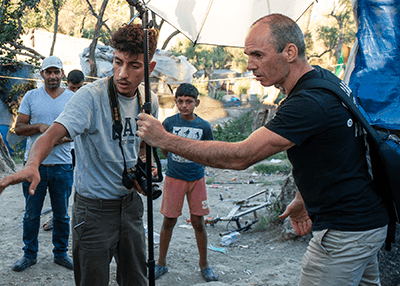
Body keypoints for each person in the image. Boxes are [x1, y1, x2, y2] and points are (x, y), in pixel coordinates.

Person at [137, 14, 389, 286]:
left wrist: (164, 139)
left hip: (344, 233)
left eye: (258, 54)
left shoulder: (308, 102)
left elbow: (241, 156)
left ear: (289, 52)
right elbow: (329, 152)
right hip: (367, 223)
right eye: (248, 55)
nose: (249, 65)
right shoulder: (325, 81)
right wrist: (303, 200)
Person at [0, 23, 159, 286]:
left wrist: (143, 167)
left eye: (134, 66)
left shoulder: (149, 100)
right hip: (93, 210)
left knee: (136, 280)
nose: (122, 73)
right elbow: (50, 135)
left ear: (149, 69)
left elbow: (140, 146)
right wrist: (33, 163)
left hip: (130, 207)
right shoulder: (89, 96)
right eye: (118, 62)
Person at [11, 56, 75, 272]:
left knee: (62, 214)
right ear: (42, 75)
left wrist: (60, 138)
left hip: (63, 166)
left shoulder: (72, 98)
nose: (53, 76)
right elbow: (18, 128)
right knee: (31, 214)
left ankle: (61, 253)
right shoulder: (31, 96)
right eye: (48, 72)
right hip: (34, 166)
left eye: (56, 72)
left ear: (62, 73)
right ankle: (29, 254)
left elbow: (78, 130)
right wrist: (38, 127)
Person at [154, 83, 217, 282]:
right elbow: (164, 148)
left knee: (199, 222)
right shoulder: (169, 123)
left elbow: (208, 150)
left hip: (196, 179)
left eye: (188, 102)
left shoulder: (203, 126)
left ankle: (204, 264)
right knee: (169, 221)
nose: (184, 105)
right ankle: (161, 263)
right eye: (180, 101)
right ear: (175, 102)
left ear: (196, 103)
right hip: (174, 178)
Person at [42, 69, 85, 232]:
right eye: (72, 88)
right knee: (62, 188)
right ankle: (56, 216)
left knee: (79, 185)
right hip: (64, 153)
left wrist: (62, 139)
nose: (75, 92)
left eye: (78, 88)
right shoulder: (62, 100)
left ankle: (79, 218)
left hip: (79, 149)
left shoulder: (86, 99)